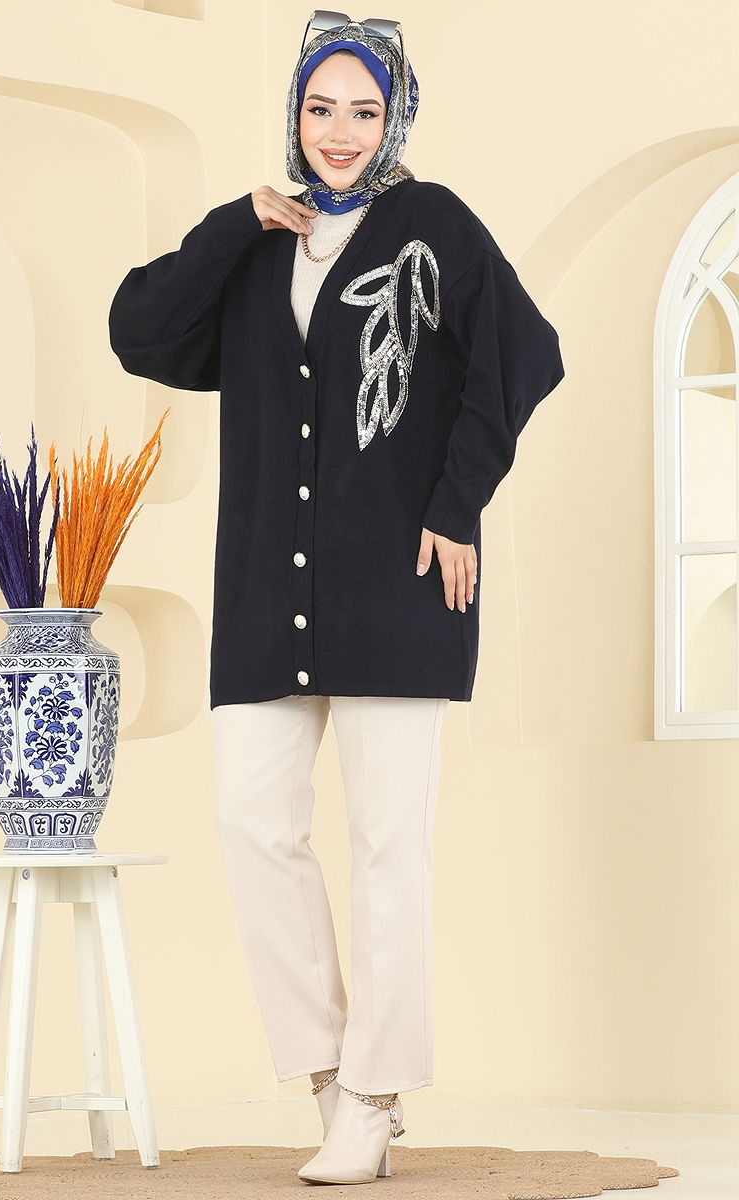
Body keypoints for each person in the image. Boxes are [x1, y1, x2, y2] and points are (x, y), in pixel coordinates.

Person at [108, 11, 565, 1186]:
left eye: (365, 110)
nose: (342, 132)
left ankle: (374, 1092)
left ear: (394, 115)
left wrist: (456, 503)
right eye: (321, 108)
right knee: (250, 822)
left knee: (386, 848)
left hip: (397, 588)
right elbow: (142, 330)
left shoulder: (434, 225)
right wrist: (235, 221)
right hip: (269, 589)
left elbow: (522, 354)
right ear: (295, 115)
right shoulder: (261, 244)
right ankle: (328, 1077)